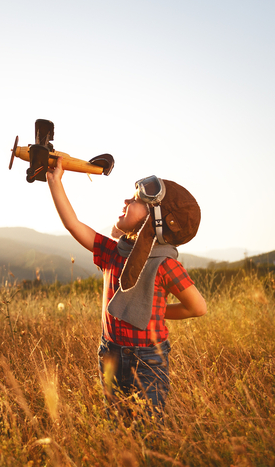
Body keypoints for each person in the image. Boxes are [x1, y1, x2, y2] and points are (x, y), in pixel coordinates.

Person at [46, 160, 207, 417]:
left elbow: (197, 307)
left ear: (156, 219)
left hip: (147, 361)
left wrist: (159, 312)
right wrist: (55, 182)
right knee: (115, 423)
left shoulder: (164, 265)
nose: (125, 201)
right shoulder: (113, 252)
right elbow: (73, 225)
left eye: (134, 201)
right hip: (109, 353)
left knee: (147, 428)